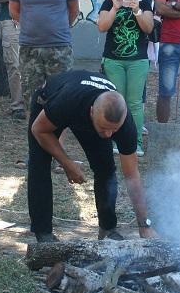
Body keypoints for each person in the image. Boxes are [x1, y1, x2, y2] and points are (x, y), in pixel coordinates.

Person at [26, 70, 158, 242]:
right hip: (51, 101)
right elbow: (39, 130)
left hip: (86, 109)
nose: (109, 134)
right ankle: (43, 234)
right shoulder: (67, 102)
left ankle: (108, 229)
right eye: (104, 128)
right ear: (91, 112)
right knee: (39, 165)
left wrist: (144, 225)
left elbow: (132, 176)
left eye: (114, 130)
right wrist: (67, 163)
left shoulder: (125, 126)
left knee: (105, 169)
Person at [8, 0, 79, 108]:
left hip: (59, 47)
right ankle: (34, 127)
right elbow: (14, 9)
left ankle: (58, 128)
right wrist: (31, 25)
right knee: (32, 100)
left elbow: (74, 9)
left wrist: (58, 27)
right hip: (29, 48)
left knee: (61, 99)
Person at [97, 0, 155, 155]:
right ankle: (118, 141)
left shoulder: (144, 0)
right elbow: (102, 26)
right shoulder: (109, 2)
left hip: (137, 59)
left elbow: (148, 28)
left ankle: (135, 143)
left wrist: (137, 8)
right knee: (117, 101)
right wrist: (115, 6)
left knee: (135, 103)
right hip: (113, 59)